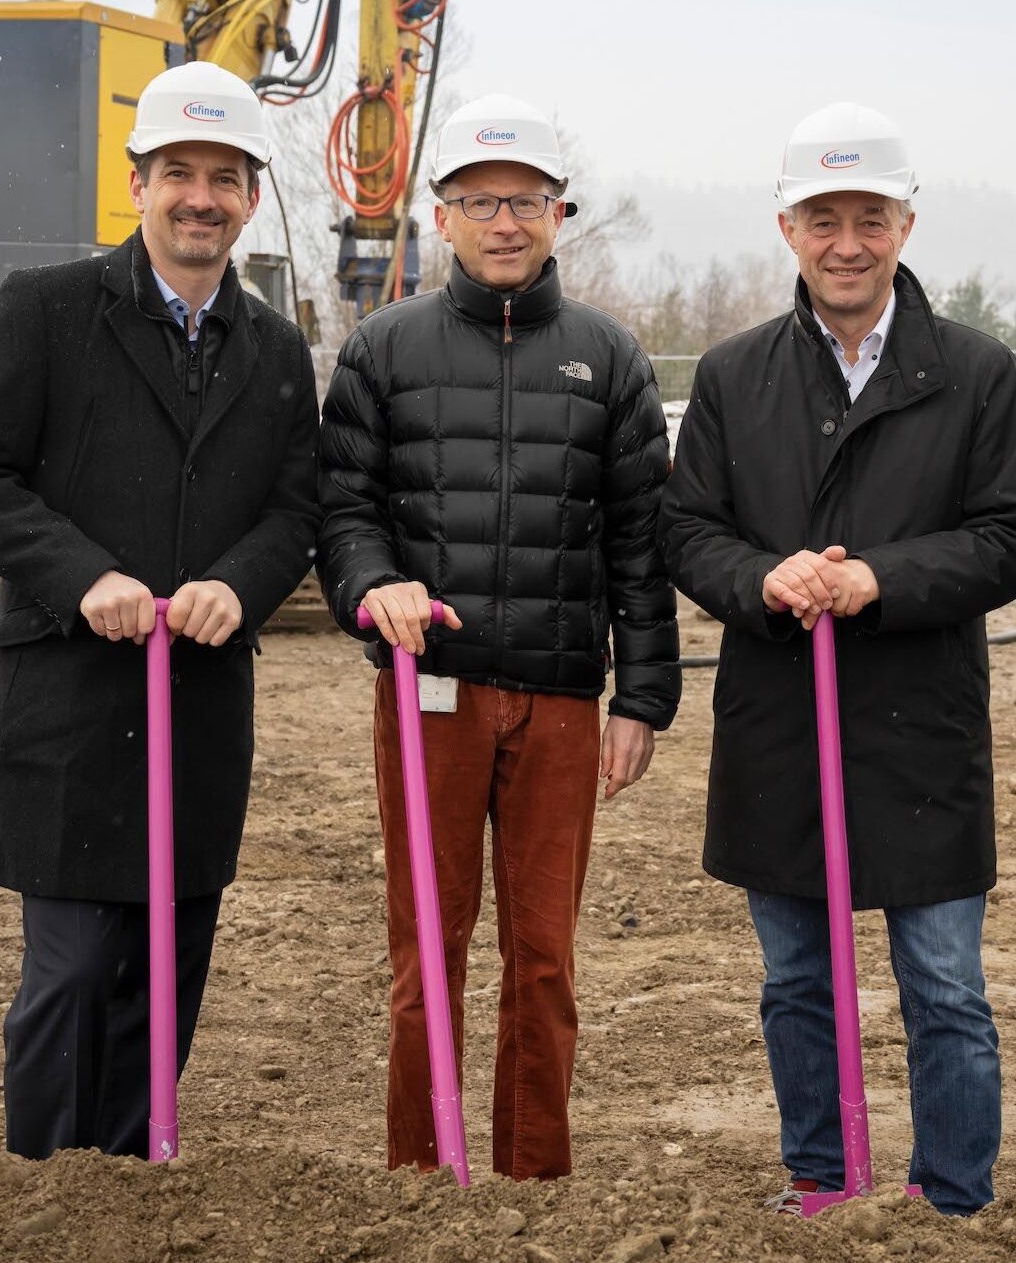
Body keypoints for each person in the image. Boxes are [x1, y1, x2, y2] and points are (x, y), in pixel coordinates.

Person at [0, 60, 323, 1159]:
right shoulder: (46, 313)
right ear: (137, 180)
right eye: (179, 173)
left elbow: (298, 505)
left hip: (197, 702)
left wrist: (235, 586)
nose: (202, 197)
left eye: (226, 177)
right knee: (69, 969)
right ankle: (46, 1180)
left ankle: (131, 1172)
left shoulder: (276, 351)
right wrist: (80, 574)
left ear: (249, 195)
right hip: (71, 697)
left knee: (166, 967)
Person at [658, 102, 1016, 1216]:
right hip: (780, 723)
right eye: (821, 217)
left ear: (905, 223)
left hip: (917, 726)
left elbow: (1012, 536)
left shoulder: (970, 374)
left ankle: (952, 1200)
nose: (845, 242)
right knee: (796, 983)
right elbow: (688, 530)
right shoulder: (735, 376)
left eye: (867, 217)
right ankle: (820, 1180)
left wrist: (880, 578)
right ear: (785, 227)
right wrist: (760, 579)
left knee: (943, 986)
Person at [315, 93, 679, 1181]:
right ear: (443, 214)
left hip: (564, 702)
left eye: (523, 199)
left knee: (543, 960)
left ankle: (532, 1181)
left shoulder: (609, 361)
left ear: (559, 212)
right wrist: (370, 587)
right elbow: (342, 512)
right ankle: (420, 1175)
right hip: (432, 694)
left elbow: (637, 545)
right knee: (426, 951)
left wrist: (642, 699)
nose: (503, 221)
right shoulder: (382, 350)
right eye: (479, 200)